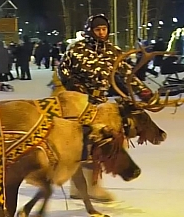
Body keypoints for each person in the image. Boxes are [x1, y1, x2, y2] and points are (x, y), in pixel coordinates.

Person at [59, 14, 153, 201]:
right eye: (97, 30)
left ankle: (88, 185)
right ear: (90, 31)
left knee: (98, 143)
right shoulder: (77, 49)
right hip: (76, 101)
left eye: (104, 29)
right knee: (84, 143)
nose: (101, 33)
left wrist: (142, 90)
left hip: (99, 102)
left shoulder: (112, 51)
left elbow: (126, 73)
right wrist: (73, 83)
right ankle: (84, 186)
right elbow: (63, 69)